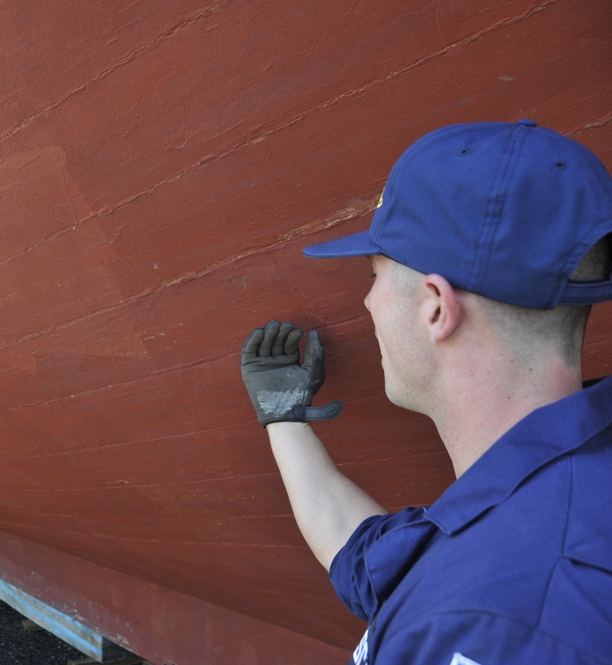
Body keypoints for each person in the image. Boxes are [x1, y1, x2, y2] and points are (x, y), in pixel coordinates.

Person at [241, 120, 612, 664]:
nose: (367, 304)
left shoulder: (496, 623)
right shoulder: (547, 481)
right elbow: (374, 558)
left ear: (436, 307)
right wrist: (284, 420)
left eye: (374, 274)